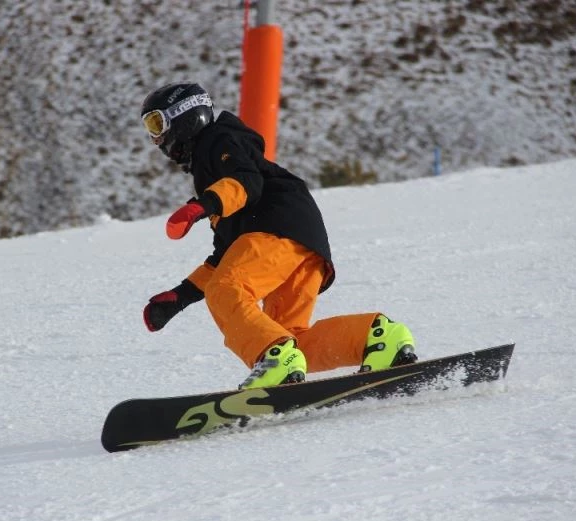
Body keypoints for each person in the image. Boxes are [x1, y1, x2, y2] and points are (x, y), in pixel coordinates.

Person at [140, 82, 417, 389]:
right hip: (300, 242)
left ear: (185, 116)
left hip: (275, 228)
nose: (156, 138)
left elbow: (247, 182)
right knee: (289, 337)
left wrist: (202, 206)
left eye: (157, 123)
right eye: (150, 129)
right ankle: (378, 339)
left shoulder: (219, 140)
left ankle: (275, 358)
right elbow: (224, 256)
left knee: (226, 291)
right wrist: (179, 297)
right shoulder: (210, 164)